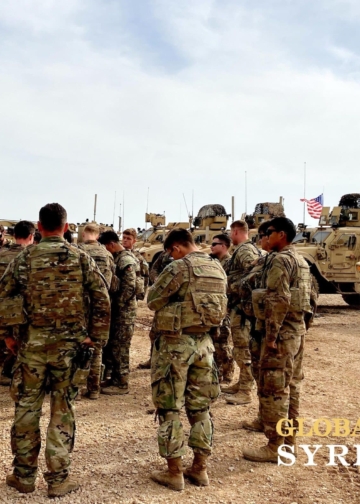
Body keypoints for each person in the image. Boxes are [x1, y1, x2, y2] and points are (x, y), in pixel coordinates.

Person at [0, 203, 110, 497]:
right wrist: (94, 339)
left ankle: (23, 477)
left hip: (31, 349)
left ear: (39, 226)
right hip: (70, 350)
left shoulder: (23, 259)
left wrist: (7, 337)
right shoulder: (81, 258)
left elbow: (3, 296)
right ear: (66, 226)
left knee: (26, 409)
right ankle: (58, 480)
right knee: (63, 412)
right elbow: (102, 299)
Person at [147, 228, 227, 491]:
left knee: (170, 408)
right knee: (201, 408)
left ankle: (174, 473)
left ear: (177, 248)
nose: (171, 256)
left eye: (171, 252)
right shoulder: (217, 267)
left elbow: (153, 300)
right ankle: (200, 469)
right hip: (205, 344)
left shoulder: (179, 267)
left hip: (175, 346)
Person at [243, 217, 311, 462]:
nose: (265, 236)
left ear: (281, 235)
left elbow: (278, 298)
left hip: (281, 335)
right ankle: (289, 443)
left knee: (274, 388)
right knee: (291, 387)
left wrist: (271, 335)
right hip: (296, 331)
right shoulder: (301, 260)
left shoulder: (281, 260)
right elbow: (310, 298)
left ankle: (275, 446)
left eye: (269, 232)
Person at [222, 220, 260, 405]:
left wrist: (235, 287)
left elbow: (255, 273)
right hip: (240, 305)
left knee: (243, 348)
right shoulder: (245, 249)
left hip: (243, 307)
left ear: (236, 231)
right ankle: (242, 383)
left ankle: (246, 390)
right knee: (240, 347)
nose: (230, 236)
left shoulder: (245, 251)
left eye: (231, 232)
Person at [77, 223, 116, 399]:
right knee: (97, 346)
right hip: (101, 304)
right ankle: (94, 389)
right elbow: (112, 282)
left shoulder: (77, 251)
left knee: (78, 345)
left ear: (84, 233)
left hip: (81, 305)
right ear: (98, 235)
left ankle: (76, 388)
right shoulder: (107, 254)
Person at [98, 230, 137, 395]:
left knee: (121, 347)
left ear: (111, 245)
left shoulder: (125, 260)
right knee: (113, 345)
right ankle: (114, 378)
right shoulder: (118, 258)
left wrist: (116, 305)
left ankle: (122, 383)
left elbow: (130, 287)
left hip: (124, 312)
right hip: (117, 311)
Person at [0, 221, 35, 386]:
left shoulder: (2, 254)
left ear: (13, 236)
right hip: (23, 311)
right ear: (31, 236)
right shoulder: (31, 257)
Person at [138, 250, 173, 370]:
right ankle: (153, 359)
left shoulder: (186, 256)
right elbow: (154, 269)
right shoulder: (164, 255)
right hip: (162, 296)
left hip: (177, 298)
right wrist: (158, 280)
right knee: (154, 333)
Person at [209, 233, 235, 383]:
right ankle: (217, 373)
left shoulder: (229, 263)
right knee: (215, 341)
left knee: (223, 342)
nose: (211, 247)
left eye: (214, 244)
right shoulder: (215, 262)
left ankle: (227, 372)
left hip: (226, 308)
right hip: (215, 307)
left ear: (223, 246)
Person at [122, 228, 149, 297]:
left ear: (134, 241)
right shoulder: (117, 253)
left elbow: (145, 275)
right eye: (124, 237)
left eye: (128, 238)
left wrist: (142, 293)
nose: (125, 240)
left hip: (132, 292)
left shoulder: (138, 257)